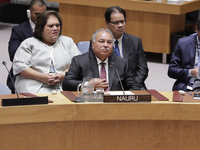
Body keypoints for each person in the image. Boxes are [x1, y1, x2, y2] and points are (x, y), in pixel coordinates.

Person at [13, 10, 81, 93]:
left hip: (63, 85)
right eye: (51, 26)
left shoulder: (67, 42)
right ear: (41, 29)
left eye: (57, 25)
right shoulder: (28, 43)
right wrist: (42, 77)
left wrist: (63, 75)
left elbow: (78, 64)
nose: (55, 28)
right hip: (34, 85)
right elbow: (20, 67)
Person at [62, 28, 139, 91]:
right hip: (89, 104)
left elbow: (134, 87)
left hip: (115, 105)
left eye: (109, 42)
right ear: (93, 44)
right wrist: (88, 85)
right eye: (101, 41)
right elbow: (66, 84)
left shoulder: (121, 63)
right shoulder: (79, 61)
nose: (105, 45)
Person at [104, 6, 148, 90]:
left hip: (134, 83)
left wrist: (133, 86)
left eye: (122, 22)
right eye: (116, 22)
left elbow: (143, 70)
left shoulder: (135, 42)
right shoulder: (99, 43)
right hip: (110, 85)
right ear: (107, 23)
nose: (120, 25)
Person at [7, 0, 47, 93]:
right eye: (37, 14)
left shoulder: (52, 28)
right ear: (29, 13)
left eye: (43, 13)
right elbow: (13, 55)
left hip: (48, 73)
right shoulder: (18, 30)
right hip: (24, 74)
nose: (40, 17)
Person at [168, 19, 200, 91]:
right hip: (189, 86)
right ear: (197, 29)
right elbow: (171, 70)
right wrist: (190, 72)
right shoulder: (183, 43)